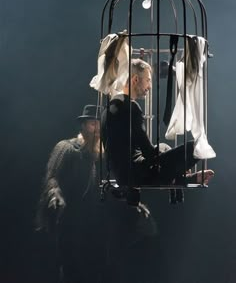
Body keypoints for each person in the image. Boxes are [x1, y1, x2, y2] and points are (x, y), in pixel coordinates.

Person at [101, 58, 214, 189]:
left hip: (122, 176)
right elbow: (149, 153)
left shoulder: (110, 107)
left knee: (163, 146)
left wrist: (167, 154)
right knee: (197, 147)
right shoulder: (131, 107)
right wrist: (177, 163)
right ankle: (182, 178)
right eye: (148, 80)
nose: (149, 86)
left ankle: (179, 177)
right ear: (135, 79)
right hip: (138, 175)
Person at [36, 104, 106, 283]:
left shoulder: (101, 155)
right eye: (92, 124)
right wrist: (55, 194)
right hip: (69, 220)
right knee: (70, 268)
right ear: (83, 126)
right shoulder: (67, 148)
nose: (97, 129)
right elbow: (52, 177)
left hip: (92, 223)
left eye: (99, 125)